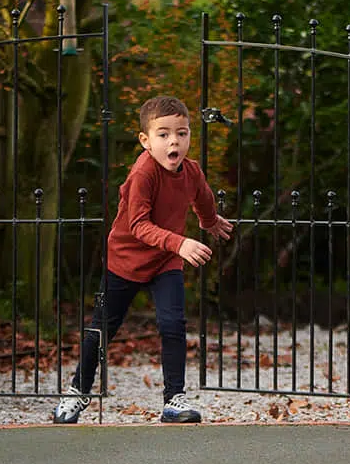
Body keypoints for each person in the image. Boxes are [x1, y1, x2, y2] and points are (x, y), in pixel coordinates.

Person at [53, 96, 233, 424]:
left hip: (165, 261)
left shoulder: (191, 171)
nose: (174, 141)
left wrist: (209, 222)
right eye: (163, 134)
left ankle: (173, 399)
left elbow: (203, 198)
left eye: (182, 133)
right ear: (146, 141)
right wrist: (180, 242)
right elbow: (138, 225)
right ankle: (77, 392)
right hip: (125, 261)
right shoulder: (144, 173)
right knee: (101, 330)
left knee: (173, 324)